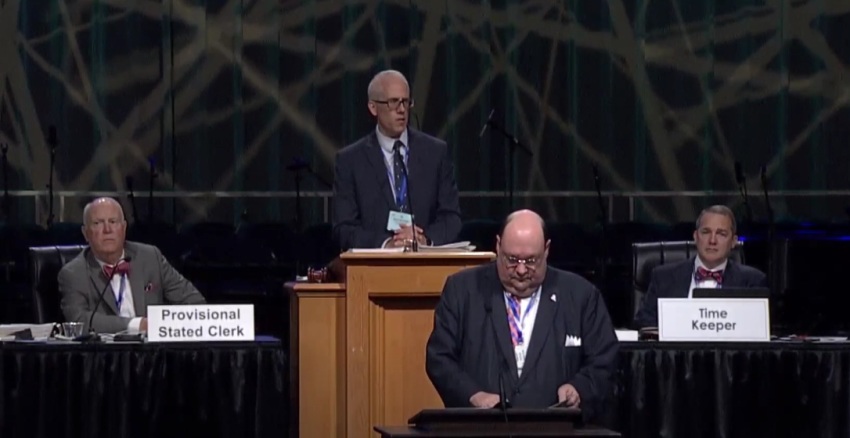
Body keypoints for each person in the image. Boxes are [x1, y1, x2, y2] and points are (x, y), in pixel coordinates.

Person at [425, 209, 618, 420]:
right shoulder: (462, 291)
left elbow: (604, 359)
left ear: (546, 250)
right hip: (482, 429)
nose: (521, 270)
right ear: (498, 246)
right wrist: (473, 395)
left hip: (555, 430)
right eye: (512, 259)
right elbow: (439, 358)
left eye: (531, 261)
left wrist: (578, 388)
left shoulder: (581, 296)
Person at [332, 69, 462, 250]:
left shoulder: (435, 153)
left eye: (406, 102)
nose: (402, 110)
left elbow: (451, 218)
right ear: (373, 107)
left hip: (426, 265)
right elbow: (344, 228)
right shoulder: (350, 161)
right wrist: (387, 244)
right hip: (376, 270)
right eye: (393, 102)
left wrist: (424, 240)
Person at [59, 197, 206, 334]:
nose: (107, 230)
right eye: (98, 223)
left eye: (113, 222)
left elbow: (193, 302)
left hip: (155, 353)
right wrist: (138, 325)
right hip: (107, 357)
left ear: (123, 229)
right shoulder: (74, 273)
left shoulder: (150, 257)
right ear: (86, 233)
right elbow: (78, 321)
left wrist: (165, 325)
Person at [633, 205, 767, 328]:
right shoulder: (663, 277)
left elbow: (757, 331)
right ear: (696, 237)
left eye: (721, 234)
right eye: (706, 232)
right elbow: (644, 325)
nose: (712, 240)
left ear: (733, 242)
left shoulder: (753, 281)